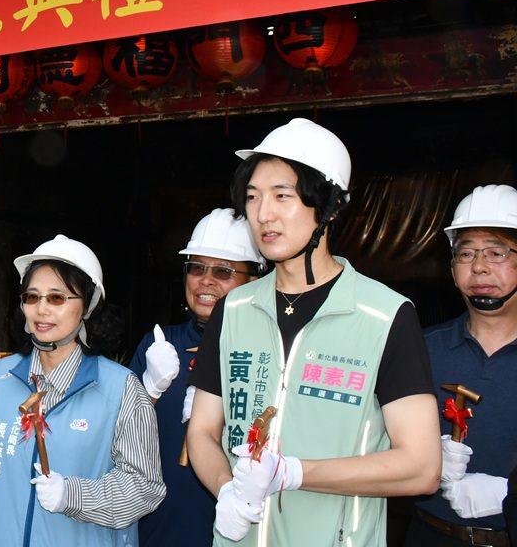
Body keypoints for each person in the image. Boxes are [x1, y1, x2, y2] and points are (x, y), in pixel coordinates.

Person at [187, 118, 441, 546]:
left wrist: (295, 473)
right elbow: (202, 431)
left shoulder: (385, 316)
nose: (263, 214)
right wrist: (226, 490)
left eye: (282, 196)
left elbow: (422, 466)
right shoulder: (235, 309)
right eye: (253, 197)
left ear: (330, 207)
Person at [0, 234, 165, 546]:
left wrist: (72, 495)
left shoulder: (122, 389)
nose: (41, 309)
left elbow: (145, 488)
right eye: (32, 297)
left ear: (87, 305)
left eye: (57, 298)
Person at [129, 208, 262, 546]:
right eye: (197, 268)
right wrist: (149, 390)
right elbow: (117, 442)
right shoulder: (159, 344)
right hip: (158, 528)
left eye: (223, 271)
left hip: (236, 531)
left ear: (253, 281)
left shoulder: (267, 354)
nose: (206, 280)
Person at [407, 184, 517, 546]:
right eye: (466, 254)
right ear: (453, 270)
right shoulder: (421, 349)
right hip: (429, 535)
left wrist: (508, 492)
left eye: (497, 253)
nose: (480, 267)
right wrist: (420, 456)